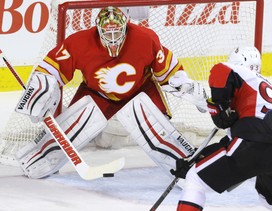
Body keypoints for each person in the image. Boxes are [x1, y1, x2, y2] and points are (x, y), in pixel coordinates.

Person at [14, 6, 206, 179]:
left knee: (155, 126)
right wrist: (41, 89)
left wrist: (186, 87)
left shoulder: (145, 38)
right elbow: (51, 69)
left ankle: (185, 166)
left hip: (140, 90)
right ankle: (39, 157)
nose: (113, 39)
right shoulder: (79, 42)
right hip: (97, 93)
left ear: (126, 27)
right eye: (107, 33)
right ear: (98, 29)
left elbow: (168, 72)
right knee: (77, 121)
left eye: (117, 33)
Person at [171, 46, 272, 211]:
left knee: (195, 179)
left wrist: (219, 105)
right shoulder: (264, 91)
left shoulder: (234, 70)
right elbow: (235, 143)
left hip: (253, 143)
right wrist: (200, 156)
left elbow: (221, 71)